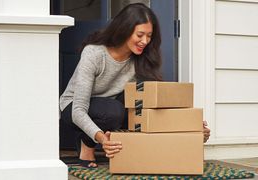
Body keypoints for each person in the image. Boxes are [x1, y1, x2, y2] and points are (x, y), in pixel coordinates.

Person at [60, 3, 210, 168]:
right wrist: (103, 139)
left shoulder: (141, 59)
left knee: (141, 108)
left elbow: (158, 102)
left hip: (112, 106)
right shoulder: (94, 53)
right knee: (113, 112)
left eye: (149, 36)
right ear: (124, 30)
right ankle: (86, 145)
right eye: (140, 35)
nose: (145, 41)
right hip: (74, 107)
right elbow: (78, 110)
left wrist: (191, 127)